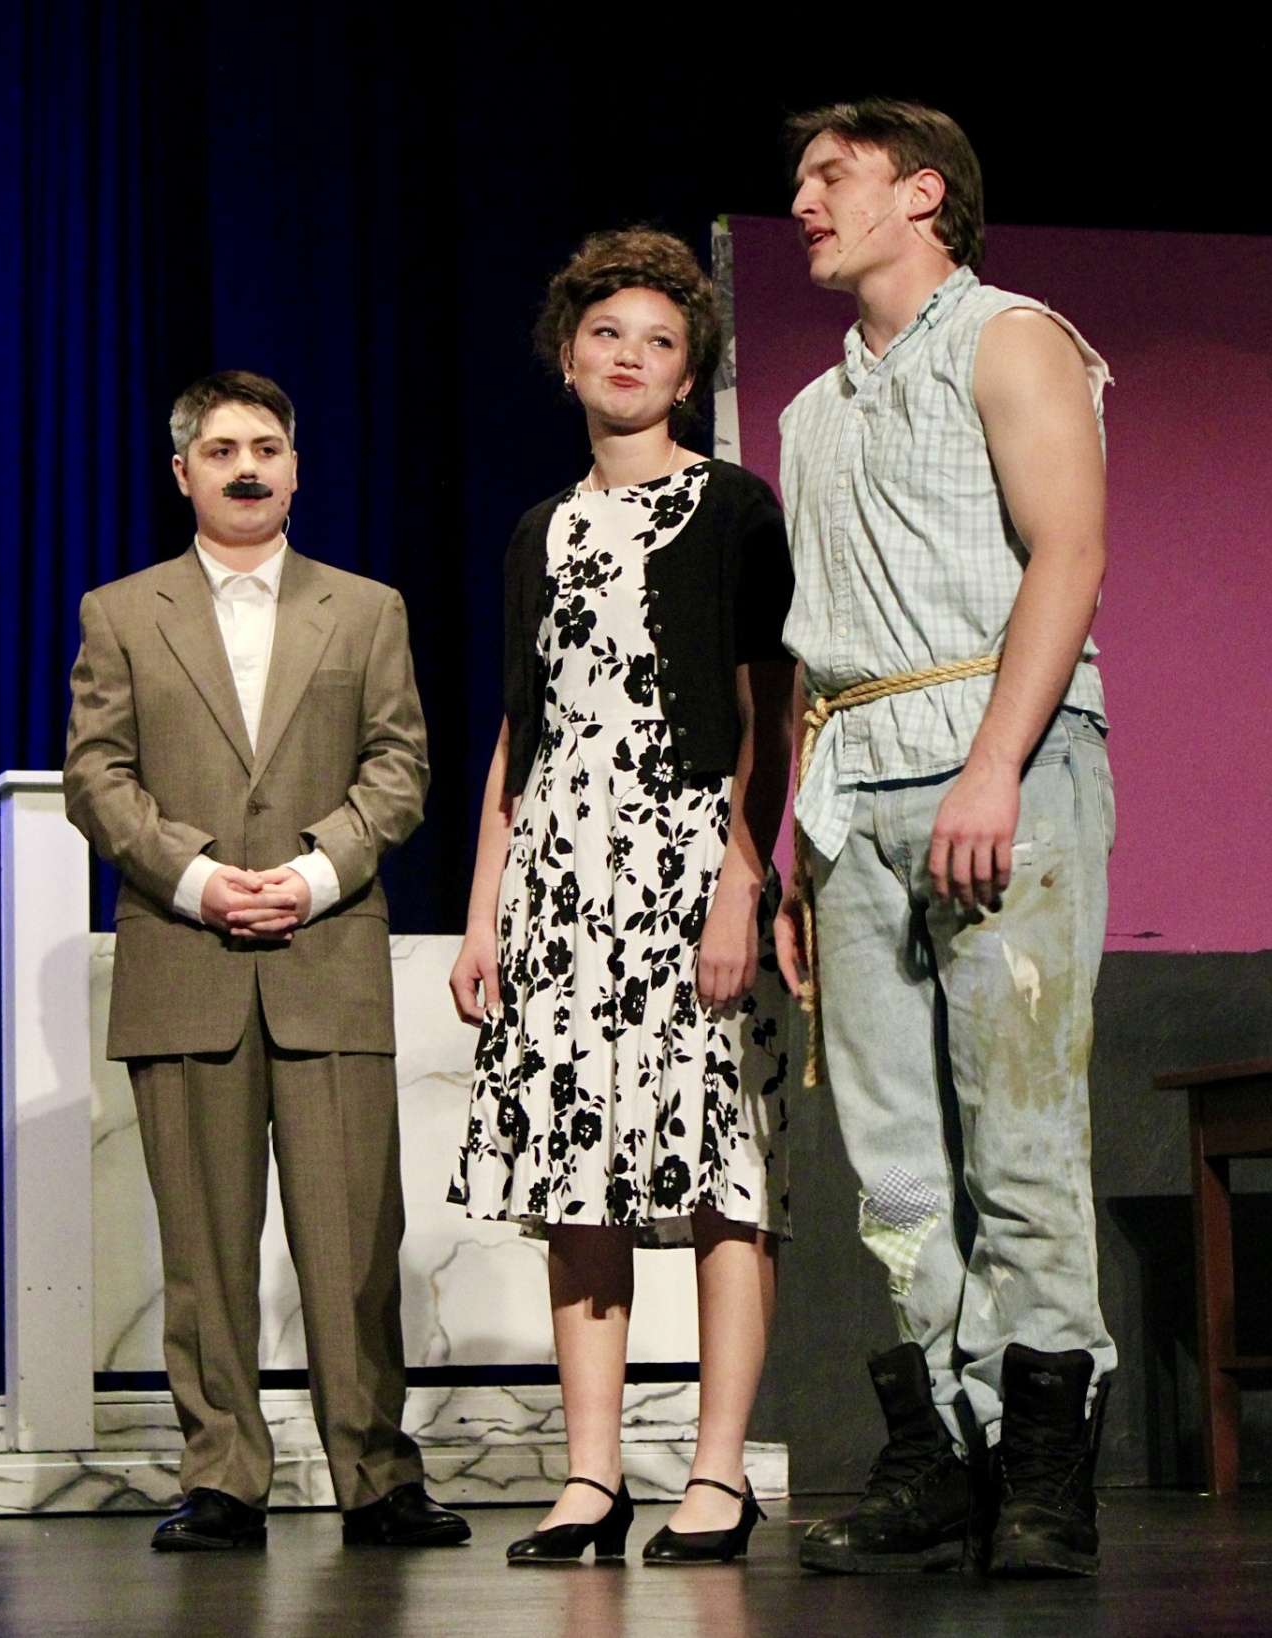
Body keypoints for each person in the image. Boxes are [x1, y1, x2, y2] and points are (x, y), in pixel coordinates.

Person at [771, 100, 1117, 1579]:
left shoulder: (1013, 335)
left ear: (923, 195)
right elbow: (812, 647)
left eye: (828, 176)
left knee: (1023, 1139)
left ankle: (1047, 1466)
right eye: (797, 181)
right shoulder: (805, 409)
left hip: (1000, 763)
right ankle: (951, 1452)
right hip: (850, 791)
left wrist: (993, 764)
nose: (800, 201)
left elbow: (1072, 553)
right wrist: (796, 839)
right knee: (897, 1163)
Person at [64, 371, 467, 1552]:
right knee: (201, 1251)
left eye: (268, 446)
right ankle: (224, 1475)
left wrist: (309, 873)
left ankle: (375, 1471)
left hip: (325, 948)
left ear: (296, 468)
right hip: (184, 954)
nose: (247, 465)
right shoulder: (120, 611)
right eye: (223, 447)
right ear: (181, 471)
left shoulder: (368, 608)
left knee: (352, 1246)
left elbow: (399, 766)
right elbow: (96, 775)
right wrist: (194, 877)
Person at [448, 228, 796, 1566]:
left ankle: (716, 1472)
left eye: (658, 340)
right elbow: (519, 730)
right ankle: (590, 1476)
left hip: (690, 864)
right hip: (560, 880)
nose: (630, 358)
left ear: (690, 367)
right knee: (576, 1175)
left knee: (722, 1172)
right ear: (568, 355)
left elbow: (773, 699)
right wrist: (487, 908)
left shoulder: (736, 507)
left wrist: (740, 880)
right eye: (608, 336)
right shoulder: (543, 526)